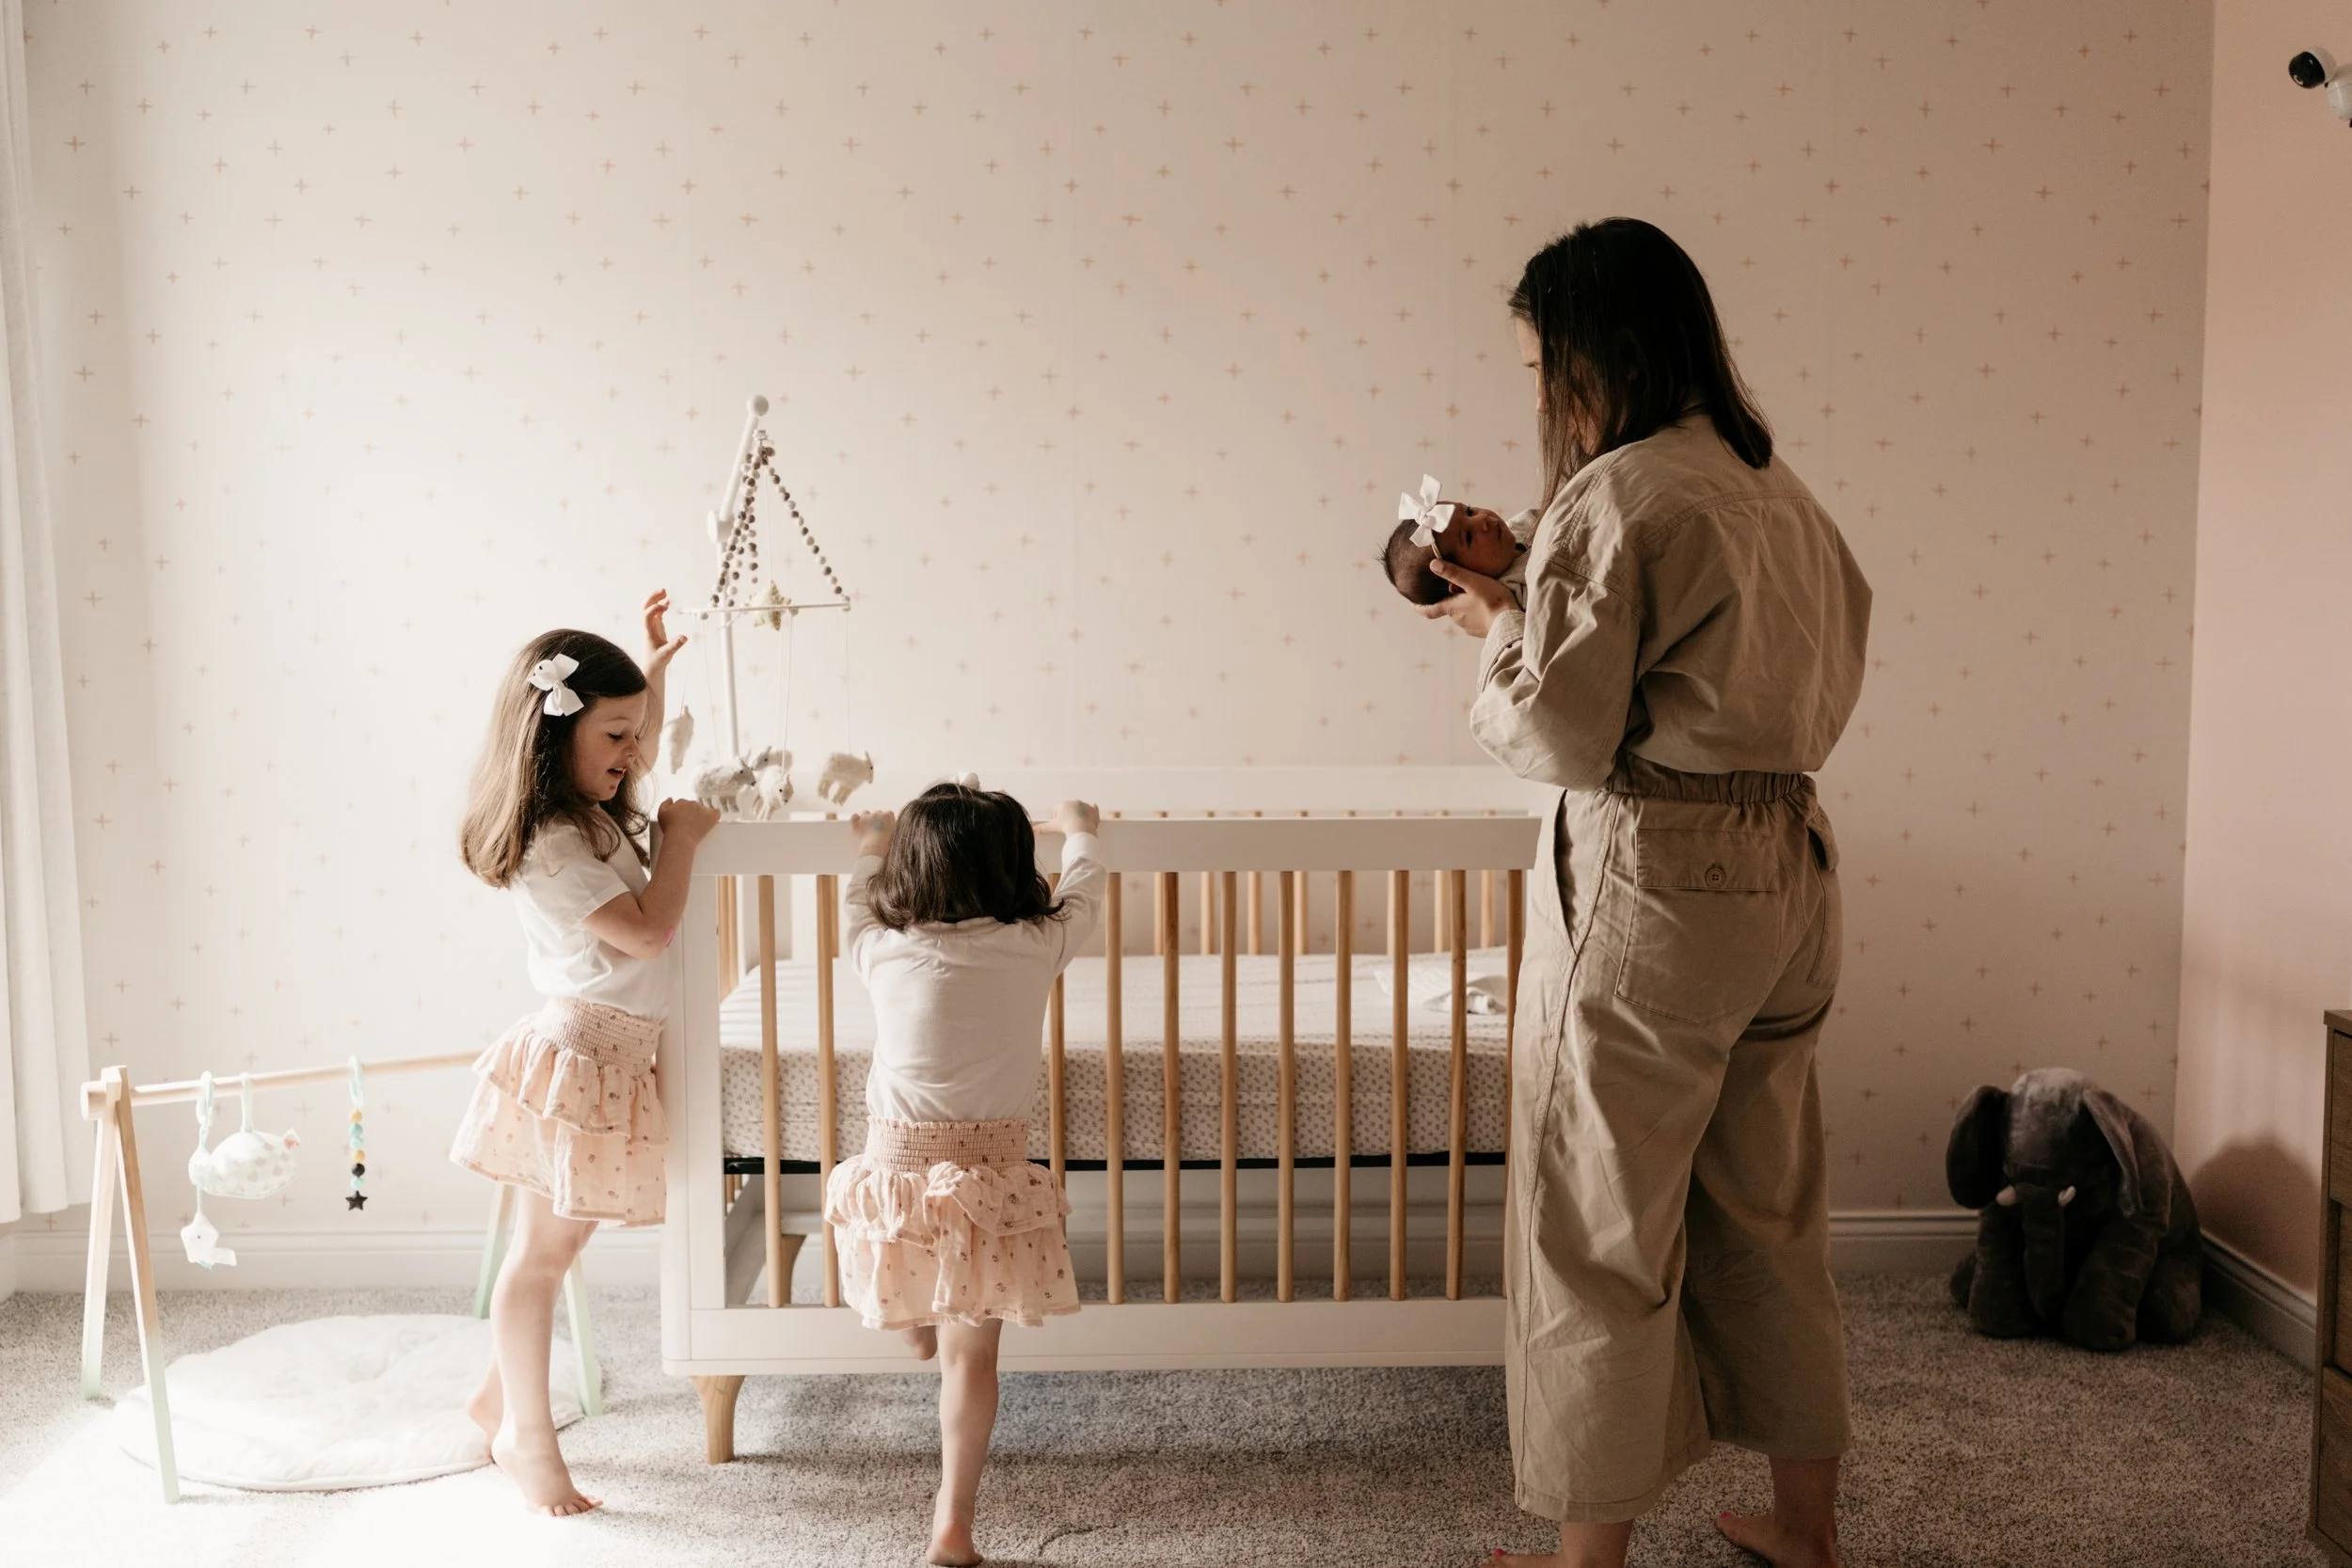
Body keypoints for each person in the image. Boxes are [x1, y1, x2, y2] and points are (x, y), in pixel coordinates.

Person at [1425, 219, 1872, 1568]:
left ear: (1590, 357)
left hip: (1662, 881)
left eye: (1540, 366)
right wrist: (1533, 587)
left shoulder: (1615, 497)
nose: (1542, 396)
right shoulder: (1777, 487)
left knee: (1598, 1223)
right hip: (1788, 861)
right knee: (1770, 1207)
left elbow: (1564, 730)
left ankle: (1585, 1561)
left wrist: (1497, 624)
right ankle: (1805, 1522)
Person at [450, 591, 721, 1516]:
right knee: (539, 1264)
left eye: (635, 734)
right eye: (616, 735)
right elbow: (647, 933)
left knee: (551, 1253)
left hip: (610, 1058)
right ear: (554, 732)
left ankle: (493, 1401)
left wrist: (651, 672)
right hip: (576, 1061)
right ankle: (527, 1441)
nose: (633, 754)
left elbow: (615, 735)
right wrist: (681, 840)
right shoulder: (552, 843)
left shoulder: (590, 812)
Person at [825, 783, 1103, 1568]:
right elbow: (1085, 897)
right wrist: (1080, 834)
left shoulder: (881, 946)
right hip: (986, 1183)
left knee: (916, 1311)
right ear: (1014, 867)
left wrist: (869, 846)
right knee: (971, 1360)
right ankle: (952, 1522)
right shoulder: (1035, 943)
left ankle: (913, 1316)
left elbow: (853, 902)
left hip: (899, 1175)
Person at [1381, 497, 1537, 610]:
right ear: (1460, 582)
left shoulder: (1522, 524)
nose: (1483, 519)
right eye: (1469, 537)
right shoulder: (1517, 593)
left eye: (1469, 512)